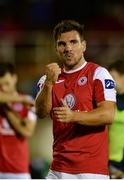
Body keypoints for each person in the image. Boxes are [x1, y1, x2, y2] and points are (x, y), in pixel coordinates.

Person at [35, 19, 116, 179]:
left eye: (73, 42)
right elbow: (40, 112)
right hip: (58, 168)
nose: (68, 48)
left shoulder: (98, 74)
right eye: (62, 44)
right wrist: (49, 83)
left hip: (91, 170)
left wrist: (73, 116)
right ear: (56, 48)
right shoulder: (48, 79)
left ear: (84, 45)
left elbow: (108, 114)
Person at [0, 62, 37, 179]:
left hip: (18, 171)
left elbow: (27, 131)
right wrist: (20, 99)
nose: (3, 88)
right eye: (0, 86)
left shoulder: (29, 102)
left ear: (14, 78)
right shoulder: (24, 100)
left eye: (6, 83)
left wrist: (6, 107)